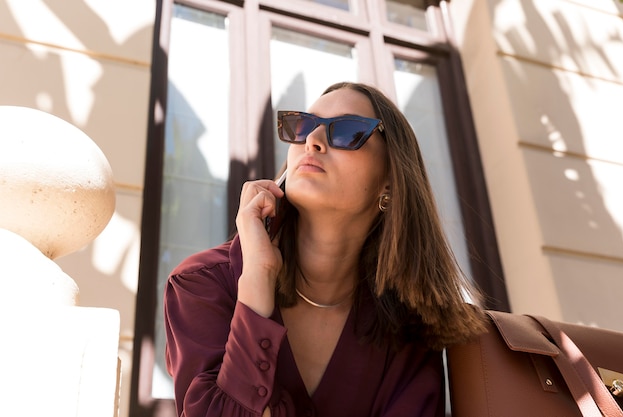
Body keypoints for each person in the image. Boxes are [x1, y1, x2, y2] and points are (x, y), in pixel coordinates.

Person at [164, 81, 487, 417]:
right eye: (303, 126)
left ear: (390, 177)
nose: (313, 141)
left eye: (346, 132)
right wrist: (257, 281)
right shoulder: (201, 285)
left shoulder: (412, 326)